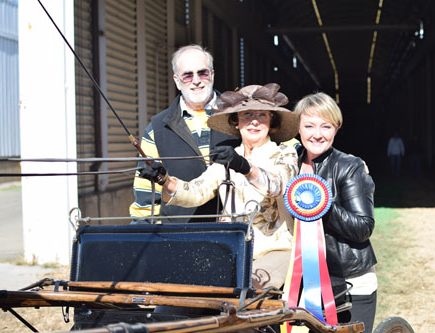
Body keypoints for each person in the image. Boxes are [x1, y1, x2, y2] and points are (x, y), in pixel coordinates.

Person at [139, 83, 299, 289]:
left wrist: (244, 166)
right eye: (247, 114)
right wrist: (164, 179)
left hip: (276, 251)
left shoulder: (285, 153)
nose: (254, 122)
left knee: (247, 288)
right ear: (236, 122)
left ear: (272, 122)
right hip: (234, 250)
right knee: (190, 286)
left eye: (262, 115)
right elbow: (197, 192)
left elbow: (277, 185)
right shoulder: (228, 156)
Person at [293, 92, 377, 332]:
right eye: (309, 125)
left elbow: (363, 228)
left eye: (325, 126)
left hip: (350, 281)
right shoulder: (288, 162)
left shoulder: (350, 166)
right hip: (301, 285)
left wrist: (323, 206)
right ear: (297, 127)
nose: (317, 134)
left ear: (336, 128)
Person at [129, 44, 240, 223]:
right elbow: (145, 193)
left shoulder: (241, 116)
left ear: (212, 75)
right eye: (187, 75)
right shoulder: (157, 129)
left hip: (233, 232)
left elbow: (275, 149)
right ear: (177, 81)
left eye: (202, 73)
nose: (196, 81)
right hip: (180, 236)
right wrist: (141, 233)